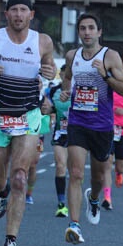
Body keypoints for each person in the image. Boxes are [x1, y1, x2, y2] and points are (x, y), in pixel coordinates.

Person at [0, 0, 56, 246]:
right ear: (7, 14)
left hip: (28, 115)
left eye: (24, 10)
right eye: (14, 10)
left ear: (31, 15)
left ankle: (10, 244)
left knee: (20, 177)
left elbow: (48, 70)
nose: (19, 15)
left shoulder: (43, 42)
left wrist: (48, 77)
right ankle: (0, 194)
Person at [58, 13, 123, 245]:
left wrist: (106, 75)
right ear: (78, 32)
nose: (87, 32)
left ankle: (94, 197)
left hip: (102, 126)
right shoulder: (72, 56)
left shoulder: (110, 56)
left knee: (99, 176)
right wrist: (65, 91)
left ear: (99, 32)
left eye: (91, 28)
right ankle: (74, 225)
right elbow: (68, 77)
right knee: (76, 173)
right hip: (78, 122)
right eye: (82, 28)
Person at [49, 71, 71, 217]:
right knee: (60, 165)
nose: (66, 78)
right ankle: (61, 203)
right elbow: (50, 108)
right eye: (64, 75)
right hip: (60, 133)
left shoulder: (79, 90)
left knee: (76, 170)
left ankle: (75, 193)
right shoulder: (53, 91)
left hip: (77, 134)